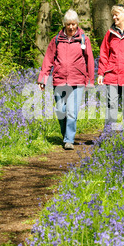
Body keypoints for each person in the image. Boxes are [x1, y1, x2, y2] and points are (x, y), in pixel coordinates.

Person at [37, 9, 95, 150]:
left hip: (77, 81)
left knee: (71, 111)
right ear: (64, 24)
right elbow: (48, 60)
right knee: (60, 111)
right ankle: (65, 135)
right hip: (59, 80)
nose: (71, 27)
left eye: (73, 24)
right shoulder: (56, 39)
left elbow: (90, 60)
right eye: (68, 24)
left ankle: (69, 139)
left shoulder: (83, 39)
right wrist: (43, 79)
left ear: (77, 24)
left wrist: (90, 80)